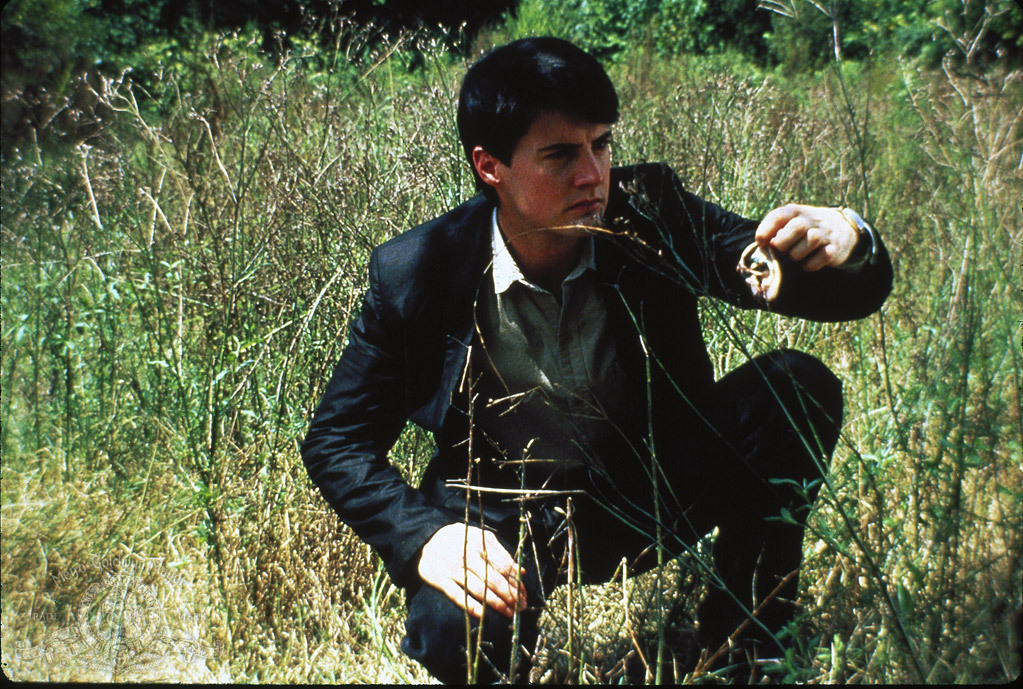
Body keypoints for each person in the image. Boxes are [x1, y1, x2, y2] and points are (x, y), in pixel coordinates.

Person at [301, 37, 892, 683]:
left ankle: (744, 645)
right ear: (489, 164)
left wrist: (846, 242)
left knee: (793, 387)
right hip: (505, 516)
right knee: (455, 633)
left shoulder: (648, 215)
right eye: (559, 154)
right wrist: (425, 535)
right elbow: (338, 440)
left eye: (601, 144)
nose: (592, 175)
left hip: (649, 490)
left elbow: (785, 274)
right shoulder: (418, 270)